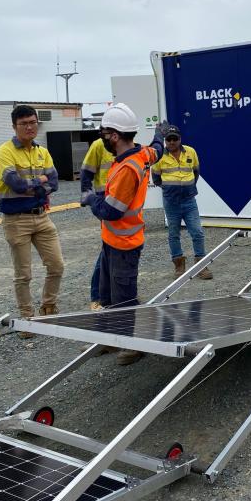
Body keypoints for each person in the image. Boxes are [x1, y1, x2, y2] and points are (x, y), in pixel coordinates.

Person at [80, 103, 166, 365]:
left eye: (105, 134)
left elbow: (111, 211)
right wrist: (160, 134)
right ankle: (110, 338)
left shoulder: (128, 169)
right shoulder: (142, 155)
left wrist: (90, 198)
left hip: (124, 244)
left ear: (115, 136)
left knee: (124, 298)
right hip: (113, 241)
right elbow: (158, 149)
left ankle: (134, 344)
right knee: (107, 295)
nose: (103, 139)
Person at [0, 105, 65, 338]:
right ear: (14, 126)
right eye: (24, 123)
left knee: (57, 265)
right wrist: (40, 182)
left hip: (41, 217)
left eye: (33, 122)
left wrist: (36, 184)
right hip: (17, 221)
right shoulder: (5, 152)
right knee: (23, 273)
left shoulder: (41, 151)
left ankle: (48, 306)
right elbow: (16, 184)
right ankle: (27, 317)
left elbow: (54, 181)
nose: (29, 127)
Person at [151, 126, 212, 280]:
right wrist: (170, 188)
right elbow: (156, 178)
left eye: (174, 139)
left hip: (189, 201)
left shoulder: (191, 152)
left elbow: (196, 172)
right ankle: (179, 266)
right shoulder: (159, 156)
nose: (171, 142)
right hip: (171, 202)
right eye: (168, 139)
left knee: (197, 232)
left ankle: (201, 265)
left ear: (180, 139)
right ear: (165, 141)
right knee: (173, 234)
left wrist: (188, 187)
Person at [79, 136, 115, 311]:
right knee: (108, 249)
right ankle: (97, 296)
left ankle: (113, 294)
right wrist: (87, 196)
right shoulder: (99, 145)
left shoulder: (128, 143)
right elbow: (86, 172)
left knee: (118, 249)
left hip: (124, 204)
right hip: (105, 203)